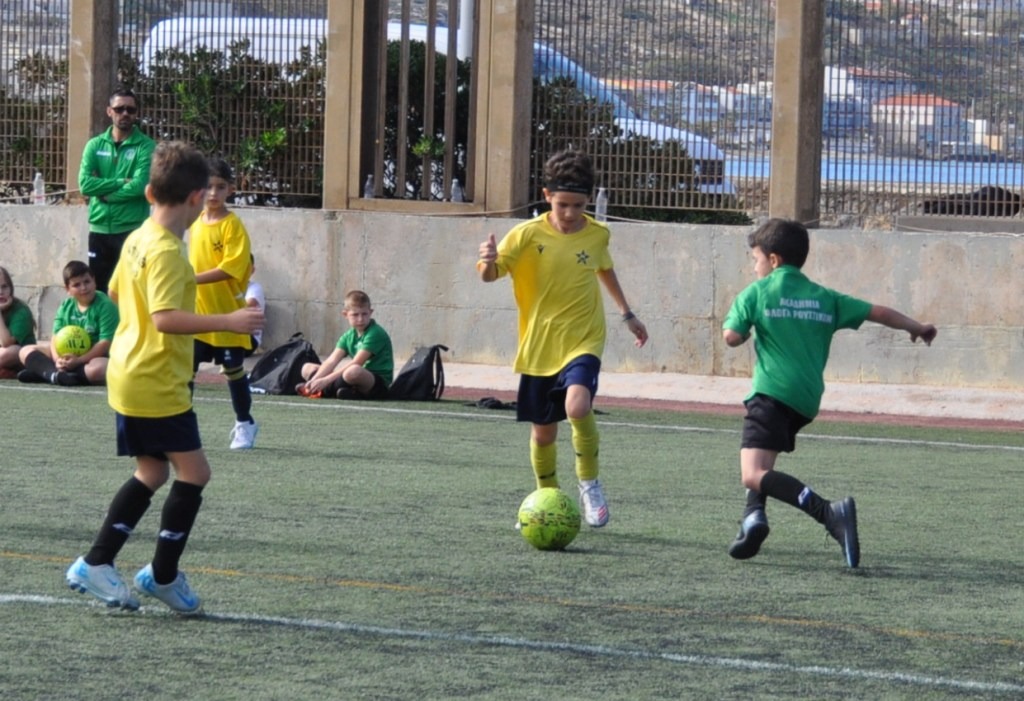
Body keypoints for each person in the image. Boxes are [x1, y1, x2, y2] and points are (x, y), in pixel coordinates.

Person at [65, 141, 264, 613]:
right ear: (196, 197)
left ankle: (97, 563)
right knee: (195, 472)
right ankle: (162, 575)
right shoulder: (171, 251)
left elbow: (116, 290)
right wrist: (230, 321)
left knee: (152, 471)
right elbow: (166, 318)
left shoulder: (139, 236)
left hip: (129, 371)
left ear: (150, 192)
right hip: (155, 379)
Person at [722, 218, 937, 568]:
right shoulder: (824, 297)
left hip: (771, 392)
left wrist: (744, 331)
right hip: (806, 400)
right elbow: (878, 312)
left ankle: (828, 513)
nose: (754, 267)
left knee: (752, 473)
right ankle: (753, 516)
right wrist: (917, 326)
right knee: (763, 457)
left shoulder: (756, 293)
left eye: (756, 259)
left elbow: (731, 337)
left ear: (773, 260)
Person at [476, 150, 649, 528]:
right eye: (562, 204)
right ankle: (547, 498)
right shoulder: (526, 234)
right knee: (543, 435)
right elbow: (491, 275)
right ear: (547, 196)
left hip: (584, 337)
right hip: (540, 345)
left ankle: (589, 484)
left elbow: (604, 269)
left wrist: (627, 314)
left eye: (579, 205)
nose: (570, 213)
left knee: (577, 405)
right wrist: (488, 260)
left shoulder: (598, 234)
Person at [188, 158, 259, 449]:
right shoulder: (194, 222)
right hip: (197, 316)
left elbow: (230, 268)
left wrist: (191, 279)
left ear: (230, 189)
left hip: (229, 316)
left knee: (233, 371)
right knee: (185, 371)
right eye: (207, 187)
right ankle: (181, 426)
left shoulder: (233, 226)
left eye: (220, 187)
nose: (213, 193)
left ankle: (245, 423)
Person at [78, 87, 156, 294]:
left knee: (132, 292)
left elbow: (139, 185)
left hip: (132, 230)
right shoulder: (94, 145)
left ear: (136, 113)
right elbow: (85, 185)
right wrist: (121, 181)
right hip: (99, 230)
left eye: (131, 110)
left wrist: (106, 195)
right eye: (119, 109)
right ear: (109, 111)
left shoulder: (146, 146)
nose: (125, 114)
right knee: (100, 293)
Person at [17, 260, 118, 386]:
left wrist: (78, 361)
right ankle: (56, 373)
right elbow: (55, 337)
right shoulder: (66, 306)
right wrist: (57, 360)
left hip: (94, 357)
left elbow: (105, 343)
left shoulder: (106, 305)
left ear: (94, 281)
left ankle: (47, 373)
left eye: (87, 282)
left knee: (100, 368)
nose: (83, 288)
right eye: (76, 285)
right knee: (25, 350)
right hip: (65, 356)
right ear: (68, 289)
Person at [296, 290, 393, 399]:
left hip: (375, 382)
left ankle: (325, 391)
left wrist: (325, 380)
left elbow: (357, 362)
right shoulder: (348, 335)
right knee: (307, 368)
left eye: (364, 314)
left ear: (370, 312)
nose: (360, 319)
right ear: (345, 314)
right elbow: (331, 361)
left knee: (353, 371)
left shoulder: (375, 333)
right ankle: (331, 390)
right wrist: (314, 380)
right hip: (349, 380)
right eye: (355, 315)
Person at [0, 266, 37, 379]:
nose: (1, 292)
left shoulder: (21, 311)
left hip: (19, 356)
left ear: (11, 288)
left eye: (4, 287)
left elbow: (6, 343)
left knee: (11, 351)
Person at [244, 255, 266, 356]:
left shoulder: (255, 288)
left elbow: (246, 306)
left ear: (252, 270)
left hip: (250, 340)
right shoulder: (229, 289)